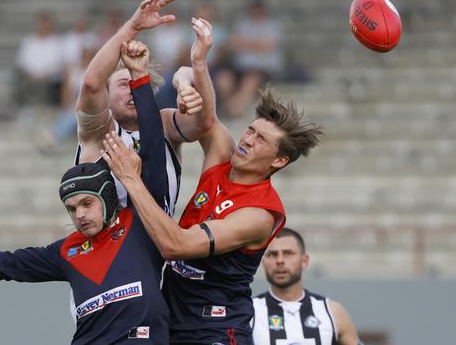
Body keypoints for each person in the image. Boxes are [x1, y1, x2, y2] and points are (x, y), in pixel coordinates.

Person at [0, 41, 171, 344]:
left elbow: (152, 146)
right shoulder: (66, 251)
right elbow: (6, 265)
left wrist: (138, 77)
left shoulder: (141, 224)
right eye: (72, 209)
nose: (80, 214)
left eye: (86, 203)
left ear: (108, 200)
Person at [102, 18, 323, 344]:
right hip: (171, 320)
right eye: (250, 129)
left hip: (216, 329)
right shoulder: (223, 155)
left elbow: (174, 246)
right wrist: (192, 71)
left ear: (279, 160)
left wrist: (131, 180)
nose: (247, 139)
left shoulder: (260, 213)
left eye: (261, 139)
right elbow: (206, 118)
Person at [76, 0, 215, 216]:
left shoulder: (166, 124)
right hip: (108, 249)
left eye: (137, 84)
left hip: (160, 246)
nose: (133, 90)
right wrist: (132, 28)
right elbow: (91, 84)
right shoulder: (100, 130)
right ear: (106, 95)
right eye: (123, 84)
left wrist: (193, 70)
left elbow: (206, 121)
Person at [252, 228, 361, 345]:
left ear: (304, 261)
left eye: (288, 253)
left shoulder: (333, 312)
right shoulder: (248, 312)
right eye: (272, 254)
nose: (280, 260)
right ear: (263, 262)